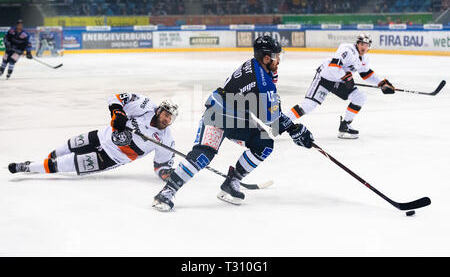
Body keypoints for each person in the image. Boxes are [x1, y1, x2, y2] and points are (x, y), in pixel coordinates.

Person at [152, 35, 315, 211]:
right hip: (218, 115)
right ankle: (167, 192)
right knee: (203, 155)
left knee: (264, 144)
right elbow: (271, 119)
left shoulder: (256, 64)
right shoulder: (262, 81)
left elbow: (265, 108)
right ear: (266, 58)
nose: (279, 60)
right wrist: (295, 130)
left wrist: (290, 127)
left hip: (238, 118)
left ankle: (232, 182)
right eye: (276, 56)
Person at [9, 93, 178, 181]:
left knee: (63, 164)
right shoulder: (145, 105)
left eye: (170, 118)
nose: (166, 119)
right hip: (100, 136)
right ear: (159, 110)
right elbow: (116, 97)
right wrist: (117, 112)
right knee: (60, 151)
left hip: (110, 158)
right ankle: (39, 165)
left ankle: (28, 167)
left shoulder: (165, 139)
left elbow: (161, 166)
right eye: (166, 114)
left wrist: (166, 174)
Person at [286, 33, 396, 139]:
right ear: (357, 44)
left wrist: (381, 83)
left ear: (369, 47)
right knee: (308, 106)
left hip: (339, 81)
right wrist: (346, 77)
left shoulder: (365, 59)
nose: (364, 47)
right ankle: (280, 123)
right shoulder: (347, 49)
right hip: (325, 78)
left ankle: (345, 125)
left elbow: (366, 74)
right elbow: (333, 66)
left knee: (360, 97)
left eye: (366, 45)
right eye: (362, 44)